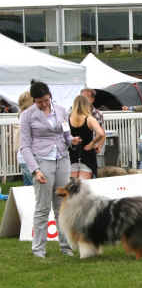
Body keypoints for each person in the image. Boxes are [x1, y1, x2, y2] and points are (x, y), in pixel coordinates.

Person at [20, 81, 82, 258]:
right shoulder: (27, 116)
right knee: (42, 207)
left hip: (62, 159)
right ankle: (38, 248)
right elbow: (25, 146)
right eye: (39, 101)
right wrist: (35, 170)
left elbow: (65, 134)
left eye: (46, 100)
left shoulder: (61, 110)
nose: (44, 104)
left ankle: (66, 246)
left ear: (50, 96)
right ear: (34, 100)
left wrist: (72, 140)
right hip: (42, 161)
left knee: (62, 205)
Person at [69, 95, 106, 179]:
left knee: (72, 186)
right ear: (87, 105)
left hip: (72, 155)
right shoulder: (90, 119)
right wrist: (92, 144)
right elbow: (101, 133)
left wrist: (71, 140)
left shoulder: (68, 118)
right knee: (83, 186)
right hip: (87, 155)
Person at [15, 92, 34, 186]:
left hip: (22, 156)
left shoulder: (21, 114)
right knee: (36, 188)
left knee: (28, 187)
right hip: (30, 157)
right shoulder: (29, 115)